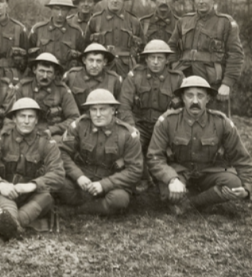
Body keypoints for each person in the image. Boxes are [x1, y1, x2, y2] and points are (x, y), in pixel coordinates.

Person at [147, 76, 252, 215]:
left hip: (210, 172)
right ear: (183, 98)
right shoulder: (167, 121)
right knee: (167, 192)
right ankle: (204, 198)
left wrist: (247, 188)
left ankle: (191, 203)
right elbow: (155, 157)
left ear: (208, 99)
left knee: (234, 185)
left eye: (200, 96)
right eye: (190, 95)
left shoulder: (221, 122)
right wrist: (172, 178)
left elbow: (241, 159)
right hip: (180, 172)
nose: (195, 101)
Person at [0, 98, 65, 240]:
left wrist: (31, 186)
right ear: (14, 118)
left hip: (34, 194)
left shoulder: (46, 143)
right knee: (4, 196)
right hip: (8, 192)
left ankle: (8, 225)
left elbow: (58, 174)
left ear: (36, 120)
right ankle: (15, 228)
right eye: (22, 116)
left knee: (46, 197)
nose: (26, 121)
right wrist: (0, 184)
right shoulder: (1, 140)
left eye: (30, 117)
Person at [57, 89, 142, 215]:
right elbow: (62, 153)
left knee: (119, 199)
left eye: (103, 109)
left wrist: (104, 184)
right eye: (93, 109)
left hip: (111, 183)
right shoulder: (79, 126)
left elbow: (135, 169)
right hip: (83, 181)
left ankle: (77, 210)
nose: (97, 114)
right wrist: (78, 176)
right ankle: (95, 205)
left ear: (113, 110)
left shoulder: (127, 134)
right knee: (57, 182)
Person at [118, 40, 184, 192]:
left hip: (165, 128)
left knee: (172, 153)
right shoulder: (135, 76)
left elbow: (183, 109)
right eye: (152, 58)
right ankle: (143, 178)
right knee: (129, 146)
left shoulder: (177, 79)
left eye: (160, 58)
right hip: (139, 125)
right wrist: (132, 128)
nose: (155, 62)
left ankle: (170, 179)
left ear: (167, 60)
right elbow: (124, 105)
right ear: (146, 59)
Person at [167, 0, 244, 110]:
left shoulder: (225, 22)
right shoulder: (184, 21)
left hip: (213, 83)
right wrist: (174, 70)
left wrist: (227, 83)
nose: (201, 1)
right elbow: (171, 47)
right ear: (193, 1)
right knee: (182, 121)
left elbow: (236, 54)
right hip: (185, 80)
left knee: (216, 123)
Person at [15, 52, 80, 140]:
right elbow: (11, 115)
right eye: (41, 71)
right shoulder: (23, 87)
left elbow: (74, 118)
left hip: (51, 134)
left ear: (54, 74)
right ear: (34, 70)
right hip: (25, 131)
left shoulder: (62, 90)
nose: (45, 76)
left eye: (49, 72)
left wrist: (53, 130)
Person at [85, 0, 143, 78]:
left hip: (128, 71)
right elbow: (85, 47)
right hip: (102, 71)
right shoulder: (95, 20)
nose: (115, 0)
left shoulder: (134, 21)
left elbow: (143, 49)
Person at [29, 0, 84, 72]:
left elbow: (83, 58)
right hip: (44, 74)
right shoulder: (38, 29)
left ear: (69, 11)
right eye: (57, 9)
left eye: (64, 10)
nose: (60, 14)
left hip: (67, 75)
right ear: (51, 9)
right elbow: (29, 55)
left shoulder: (76, 32)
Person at [63, 43, 122, 112]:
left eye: (98, 61)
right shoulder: (72, 76)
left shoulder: (113, 79)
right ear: (84, 60)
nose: (94, 65)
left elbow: (120, 107)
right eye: (91, 60)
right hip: (78, 119)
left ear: (104, 62)